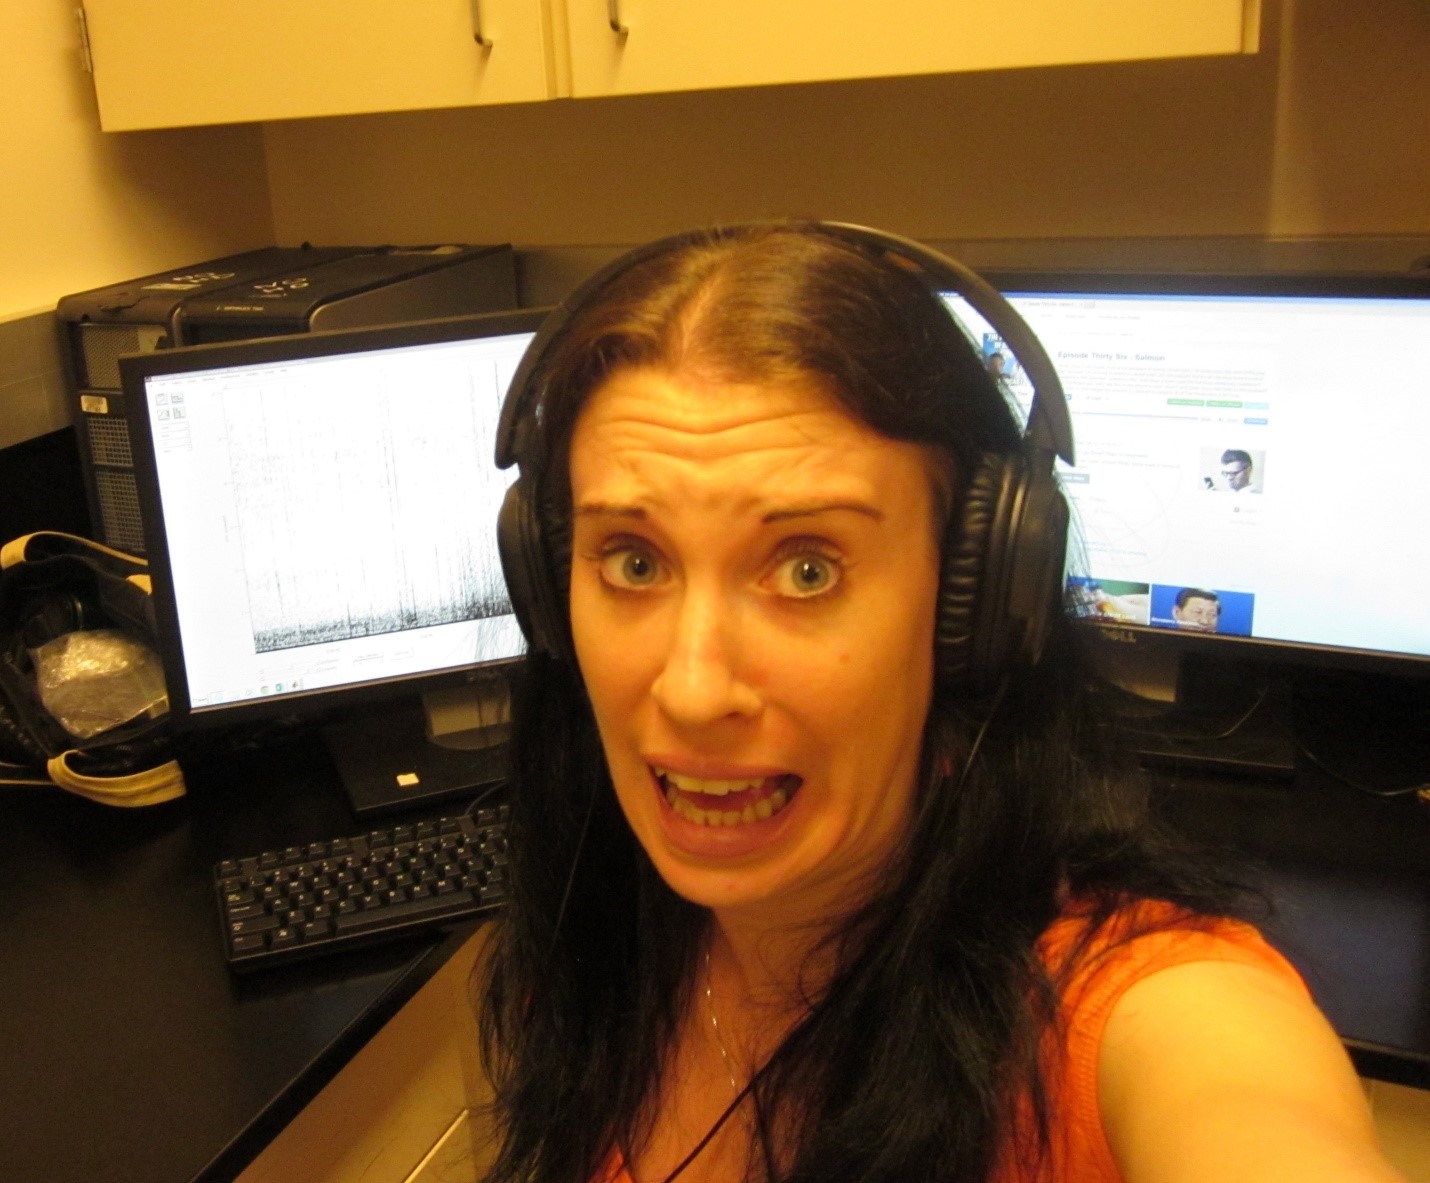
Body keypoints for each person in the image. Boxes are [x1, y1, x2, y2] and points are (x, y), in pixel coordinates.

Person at [477, 224, 1399, 1183]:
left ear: (971, 602)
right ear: (551, 584)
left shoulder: (1136, 1012)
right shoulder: (605, 938)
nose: (695, 688)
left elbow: (1253, 1116)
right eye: (633, 560)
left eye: (806, 567)